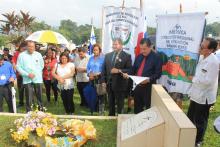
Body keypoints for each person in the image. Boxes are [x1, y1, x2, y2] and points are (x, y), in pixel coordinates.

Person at [187, 37, 219, 147]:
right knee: (190, 117)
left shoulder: (214, 62)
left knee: (200, 121)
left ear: (210, 50)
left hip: (204, 97)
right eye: (200, 45)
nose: (199, 48)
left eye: (202, 47)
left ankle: (198, 141)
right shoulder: (201, 57)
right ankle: (189, 136)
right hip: (195, 94)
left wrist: (193, 79)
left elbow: (208, 82)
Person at [123, 38, 162, 114]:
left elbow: (158, 74)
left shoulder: (156, 58)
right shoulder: (139, 57)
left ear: (150, 47)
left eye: (144, 49)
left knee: (149, 109)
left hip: (149, 87)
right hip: (138, 86)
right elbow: (133, 69)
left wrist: (148, 79)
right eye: (141, 49)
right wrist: (128, 74)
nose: (142, 51)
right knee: (137, 108)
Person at [101, 38, 132, 116]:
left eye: (116, 44)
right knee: (110, 102)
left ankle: (120, 117)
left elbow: (130, 70)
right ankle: (111, 116)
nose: (114, 46)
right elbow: (103, 69)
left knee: (120, 103)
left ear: (121, 45)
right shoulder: (108, 55)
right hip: (109, 84)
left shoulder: (127, 56)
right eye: (113, 44)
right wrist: (103, 81)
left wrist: (118, 70)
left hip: (120, 84)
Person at [16, 41, 44, 112]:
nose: (31, 48)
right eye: (29, 46)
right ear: (26, 47)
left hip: (37, 79)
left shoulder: (38, 55)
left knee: (39, 96)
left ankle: (41, 111)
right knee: (28, 97)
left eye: (32, 46)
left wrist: (34, 73)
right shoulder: (21, 55)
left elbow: (41, 66)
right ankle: (29, 112)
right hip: (27, 79)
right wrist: (27, 74)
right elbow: (18, 67)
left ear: (35, 47)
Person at [87, 44, 105, 115]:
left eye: (96, 50)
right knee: (93, 94)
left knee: (101, 95)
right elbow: (88, 68)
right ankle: (94, 109)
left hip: (99, 79)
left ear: (99, 50)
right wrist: (89, 74)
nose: (95, 51)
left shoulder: (103, 58)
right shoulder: (91, 58)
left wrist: (96, 74)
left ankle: (101, 111)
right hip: (91, 79)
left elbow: (103, 69)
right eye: (94, 50)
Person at [11, 42, 27, 107]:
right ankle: (21, 103)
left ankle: (30, 103)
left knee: (29, 89)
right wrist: (18, 71)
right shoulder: (17, 54)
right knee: (20, 90)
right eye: (23, 48)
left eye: (25, 48)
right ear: (20, 48)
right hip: (19, 75)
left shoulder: (28, 54)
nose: (24, 50)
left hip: (27, 75)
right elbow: (13, 63)